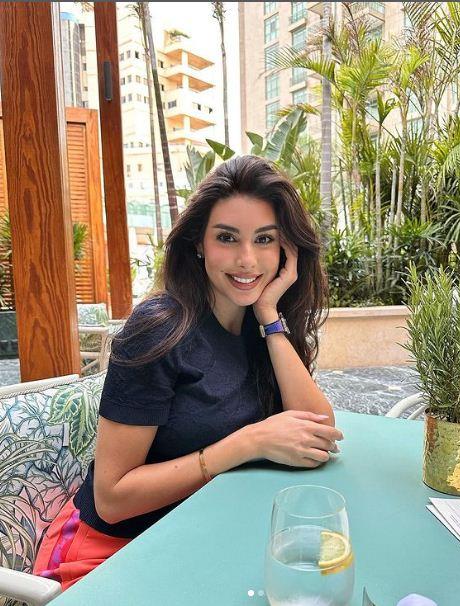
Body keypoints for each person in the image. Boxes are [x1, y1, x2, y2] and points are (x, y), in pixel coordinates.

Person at [33, 155, 343, 590]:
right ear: (199, 243)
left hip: (200, 535)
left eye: (265, 239)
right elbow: (111, 499)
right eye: (227, 238)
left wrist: (270, 316)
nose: (247, 259)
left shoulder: (259, 326)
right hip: (110, 552)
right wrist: (246, 443)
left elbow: (319, 430)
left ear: (286, 251)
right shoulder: (158, 329)